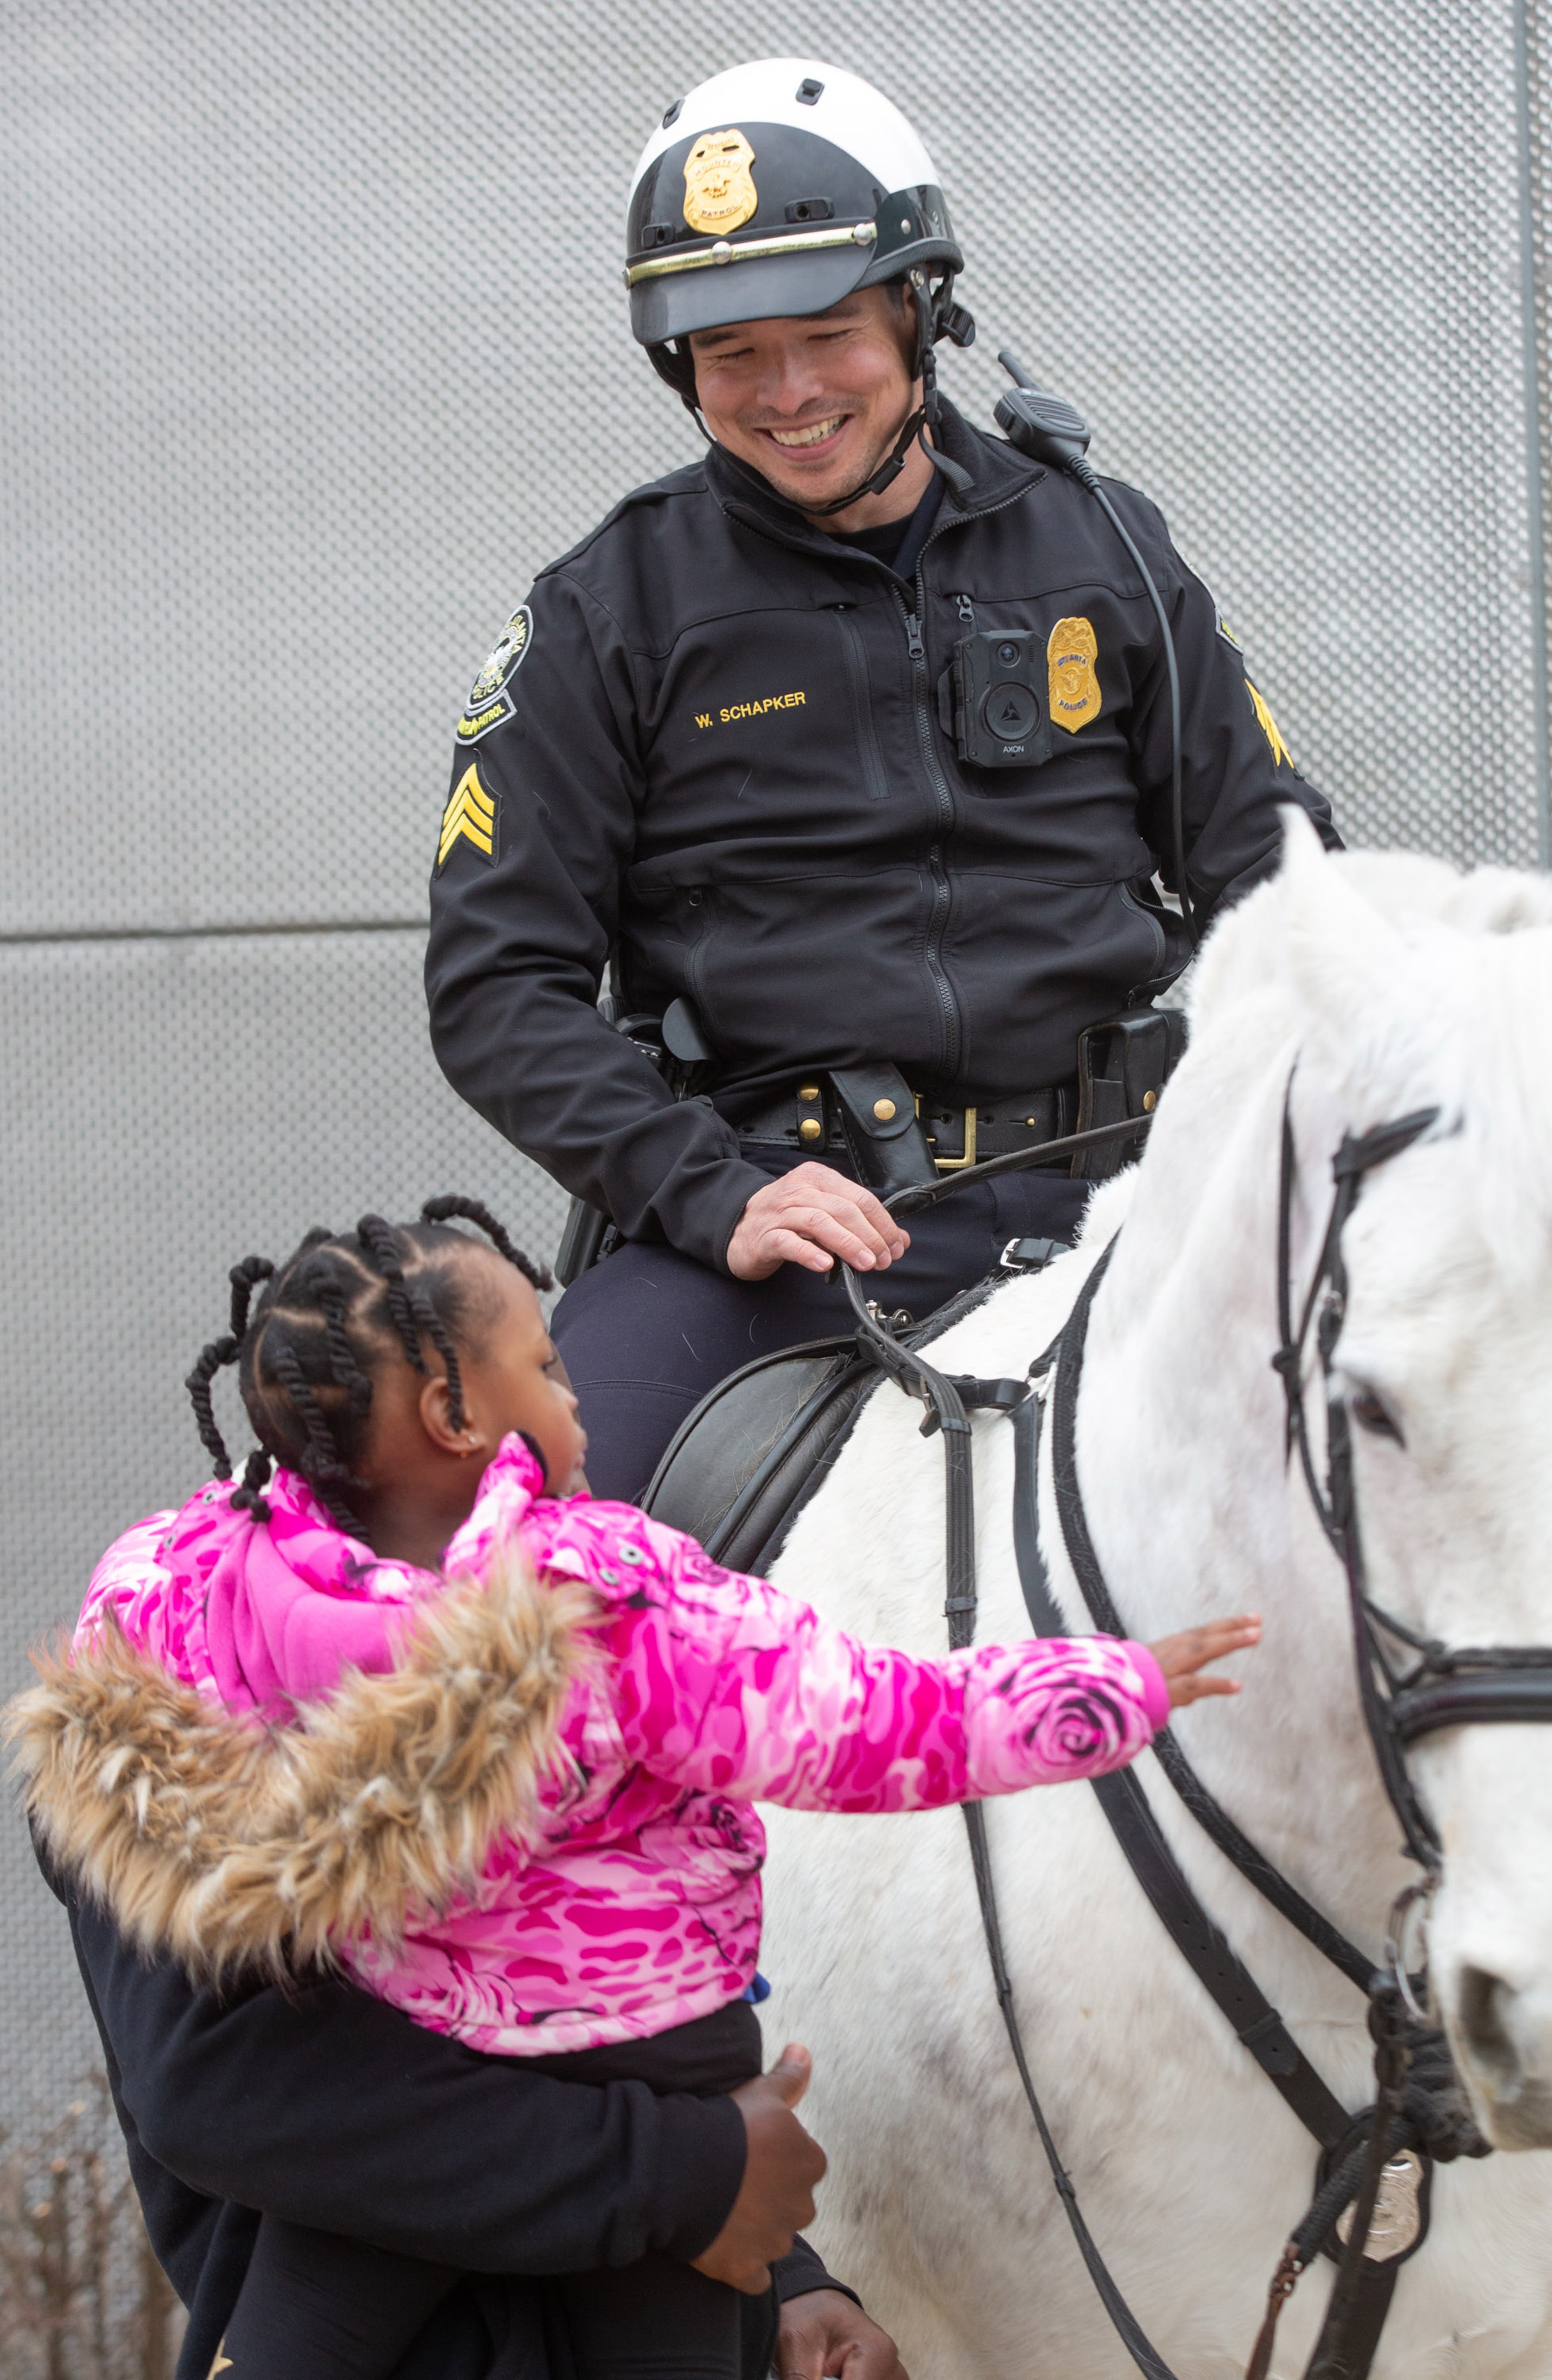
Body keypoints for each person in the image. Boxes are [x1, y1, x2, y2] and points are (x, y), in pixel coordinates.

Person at [9, 1200, 1260, 2380]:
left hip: (429, 2121)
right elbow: (870, 1720)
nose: (576, 1395)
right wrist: (1116, 1685)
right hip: (648, 2083)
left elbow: (280, 2093)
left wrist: (779, 2260)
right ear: (455, 1412)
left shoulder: (194, 1620)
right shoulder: (598, 1602)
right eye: (549, 1369)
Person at [425, 56, 1341, 1502]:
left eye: (828, 333)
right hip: (786, 1228)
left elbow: (1281, 881)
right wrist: (712, 1192)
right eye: (733, 355)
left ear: (918, 313)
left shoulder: (1103, 547)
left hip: (1136, 1190)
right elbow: (496, 985)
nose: (788, 393)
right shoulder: (607, 610)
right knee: (523, 1557)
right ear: (681, 367)